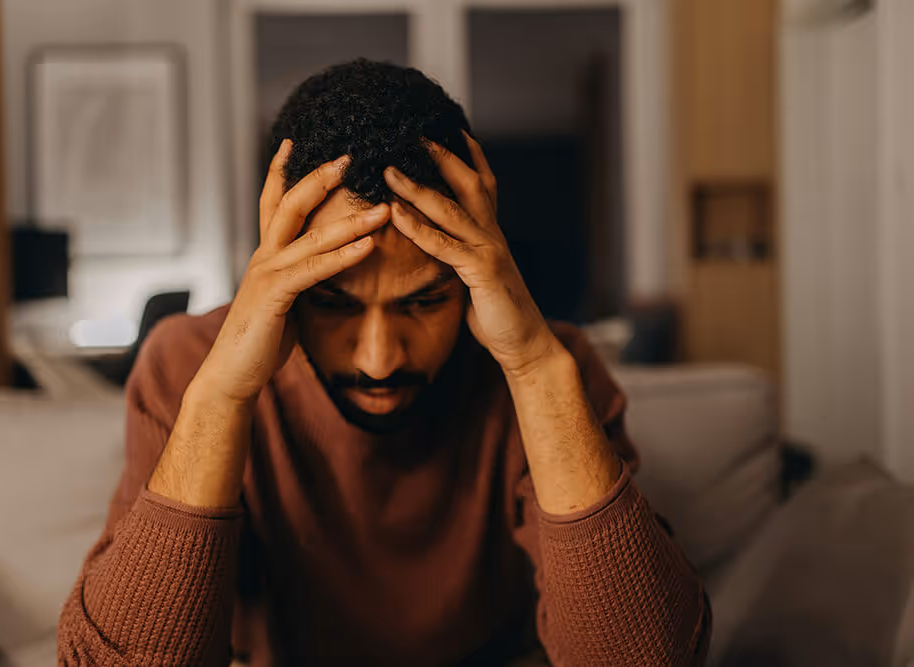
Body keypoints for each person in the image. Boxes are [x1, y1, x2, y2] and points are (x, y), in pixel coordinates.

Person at [57, 59, 710, 666]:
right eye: (332, 304)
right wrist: (225, 394)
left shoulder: (551, 368)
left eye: (426, 300)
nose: (378, 359)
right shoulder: (187, 366)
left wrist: (536, 367)